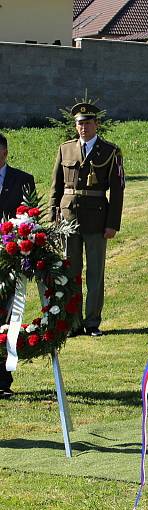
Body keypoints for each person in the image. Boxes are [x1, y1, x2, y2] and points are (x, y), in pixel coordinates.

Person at [49, 103, 125, 337]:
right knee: (70, 272)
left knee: (95, 273)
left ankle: (92, 322)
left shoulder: (110, 151)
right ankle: (72, 322)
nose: (83, 127)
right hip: (68, 218)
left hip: (97, 220)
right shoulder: (66, 149)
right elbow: (56, 186)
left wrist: (112, 223)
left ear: (96, 124)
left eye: (88, 123)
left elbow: (118, 190)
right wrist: (53, 216)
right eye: (80, 123)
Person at [0, 132, 36, 398]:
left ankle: (3, 380)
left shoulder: (23, 181)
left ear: (5, 153)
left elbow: (29, 219)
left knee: (6, 318)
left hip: (9, 259)